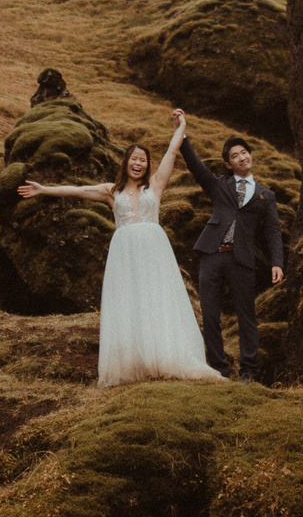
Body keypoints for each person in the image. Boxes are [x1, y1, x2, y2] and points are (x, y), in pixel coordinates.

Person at [17, 112, 220, 388]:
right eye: (134, 159)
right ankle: (136, 362)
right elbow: (78, 191)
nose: (138, 163)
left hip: (153, 251)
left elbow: (172, 152)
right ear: (125, 163)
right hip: (125, 254)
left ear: (147, 165)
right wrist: (44, 190)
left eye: (142, 160)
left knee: (156, 299)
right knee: (130, 302)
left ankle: (166, 357)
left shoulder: (156, 185)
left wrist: (181, 128)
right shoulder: (111, 191)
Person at [176, 119, 284, 383]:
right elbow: (196, 166)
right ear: (229, 164)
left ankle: (249, 371)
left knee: (247, 316)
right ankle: (219, 369)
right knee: (210, 314)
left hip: (242, 259)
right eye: (235, 155)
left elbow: (273, 231)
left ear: (250, 156)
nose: (241, 157)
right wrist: (182, 133)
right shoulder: (218, 186)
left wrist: (277, 262)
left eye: (244, 152)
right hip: (212, 254)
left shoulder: (265, 196)